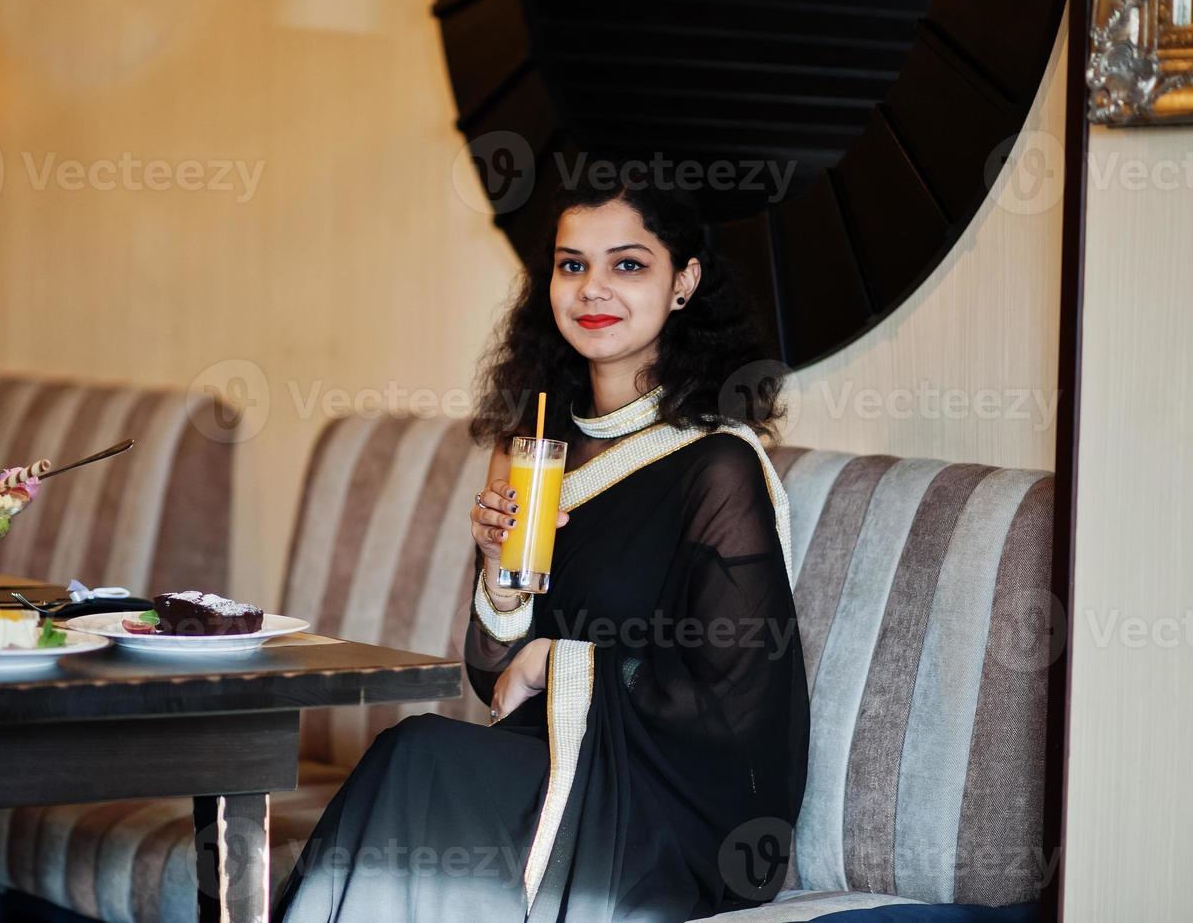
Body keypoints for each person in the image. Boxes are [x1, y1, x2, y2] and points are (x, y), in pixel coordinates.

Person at [276, 180, 809, 922]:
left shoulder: (715, 466)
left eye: (627, 265)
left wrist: (560, 661)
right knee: (420, 757)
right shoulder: (531, 450)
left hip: (663, 809)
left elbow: (737, 702)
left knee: (421, 756)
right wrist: (499, 575)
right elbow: (494, 682)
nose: (593, 289)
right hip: (538, 767)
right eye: (571, 266)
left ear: (682, 280)